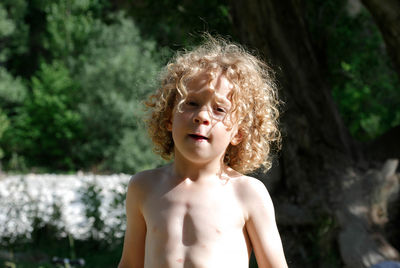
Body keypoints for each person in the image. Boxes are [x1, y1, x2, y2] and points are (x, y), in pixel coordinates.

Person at [118, 35, 288, 268]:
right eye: (191, 103)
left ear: (239, 133)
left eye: (219, 109)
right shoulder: (143, 187)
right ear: (168, 116)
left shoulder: (247, 193)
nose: (202, 116)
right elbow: (130, 264)